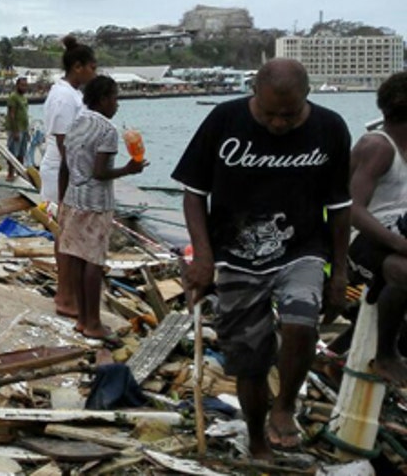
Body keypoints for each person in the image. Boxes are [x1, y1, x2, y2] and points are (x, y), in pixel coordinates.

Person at [173, 58, 351, 459]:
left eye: (289, 115)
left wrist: (339, 271)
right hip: (234, 255)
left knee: (301, 321)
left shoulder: (331, 128)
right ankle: (256, 437)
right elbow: (194, 193)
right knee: (249, 360)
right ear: (254, 93)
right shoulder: (224, 120)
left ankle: (285, 405)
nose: (278, 124)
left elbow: (341, 206)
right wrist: (202, 257)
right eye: (269, 114)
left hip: (302, 249)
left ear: (307, 98)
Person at [61, 75, 145, 340]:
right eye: (115, 98)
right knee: (93, 262)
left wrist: (62, 198)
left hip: (73, 199)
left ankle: (82, 320)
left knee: (76, 258)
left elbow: (66, 163)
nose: (117, 105)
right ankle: (94, 322)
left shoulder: (77, 122)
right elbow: (100, 172)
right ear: (104, 99)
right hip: (96, 204)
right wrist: (129, 169)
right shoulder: (107, 130)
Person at [348, 71, 407, 385]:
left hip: (396, 234)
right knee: (402, 271)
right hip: (361, 241)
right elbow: (354, 211)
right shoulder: (378, 147)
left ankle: (338, 350)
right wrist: (399, 244)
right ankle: (386, 354)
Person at [40, 35, 98, 317]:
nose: (94, 74)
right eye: (92, 68)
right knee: (67, 237)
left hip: (72, 170)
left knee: (70, 237)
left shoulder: (73, 94)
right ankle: (65, 297)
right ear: (78, 67)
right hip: (63, 171)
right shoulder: (63, 96)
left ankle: (70, 293)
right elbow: (64, 142)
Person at [5, 77, 30, 179]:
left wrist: (27, 131)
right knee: (13, 152)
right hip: (16, 129)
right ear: (17, 85)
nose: (24, 87)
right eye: (22, 85)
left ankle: (20, 174)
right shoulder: (13, 97)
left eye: (25, 85)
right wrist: (15, 131)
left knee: (21, 153)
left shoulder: (24, 97)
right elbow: (12, 114)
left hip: (24, 128)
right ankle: (10, 173)